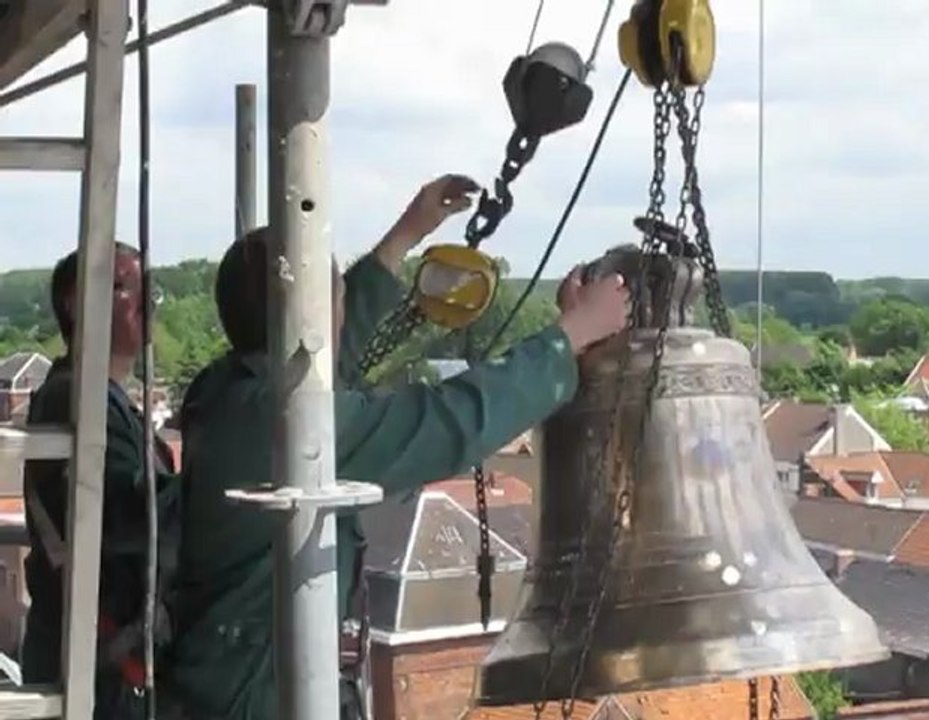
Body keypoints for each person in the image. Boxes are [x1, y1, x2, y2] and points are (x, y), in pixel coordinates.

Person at [168, 174, 630, 720]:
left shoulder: (233, 391)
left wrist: (407, 233)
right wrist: (571, 335)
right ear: (312, 313)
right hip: (253, 698)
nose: (343, 307)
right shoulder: (286, 421)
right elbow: (443, 423)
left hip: (230, 678)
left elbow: (327, 348)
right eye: (335, 292)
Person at [22, 243, 181, 719]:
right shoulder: (73, 402)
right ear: (78, 303)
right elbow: (123, 518)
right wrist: (214, 492)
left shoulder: (101, 403)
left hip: (102, 661)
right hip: (99, 672)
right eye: (126, 286)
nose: (146, 298)